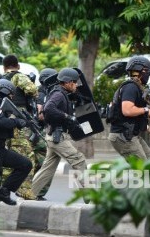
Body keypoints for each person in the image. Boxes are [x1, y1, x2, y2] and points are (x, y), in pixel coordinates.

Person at [31, 68, 87, 200]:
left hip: (53, 136)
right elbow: (48, 108)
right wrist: (66, 116)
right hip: (58, 138)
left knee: (47, 168)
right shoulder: (59, 94)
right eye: (74, 82)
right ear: (67, 82)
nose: (76, 84)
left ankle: (30, 193)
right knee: (78, 160)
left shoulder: (61, 93)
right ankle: (90, 194)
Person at [0, 79, 32, 205]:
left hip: (0, 149)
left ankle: (5, 190)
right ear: (5, 92)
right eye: (11, 94)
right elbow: (0, 122)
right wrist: (17, 122)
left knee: (25, 164)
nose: (12, 96)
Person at [0, 55, 39, 200]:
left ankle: (3, 185)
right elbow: (32, 90)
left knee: (9, 156)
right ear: (18, 66)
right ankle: (24, 189)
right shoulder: (19, 77)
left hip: (2, 123)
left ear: (4, 67)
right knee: (28, 156)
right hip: (18, 122)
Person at [108, 55, 150, 161]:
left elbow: (134, 116)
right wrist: (146, 110)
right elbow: (127, 110)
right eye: (147, 70)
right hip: (123, 135)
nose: (148, 74)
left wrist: (149, 128)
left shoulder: (136, 87)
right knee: (142, 167)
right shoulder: (131, 87)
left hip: (130, 134)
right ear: (141, 71)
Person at [31, 68, 57, 200]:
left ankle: (35, 191)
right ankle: (36, 192)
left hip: (38, 130)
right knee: (44, 162)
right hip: (37, 131)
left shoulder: (45, 91)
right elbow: (40, 115)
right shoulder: (41, 93)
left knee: (41, 162)